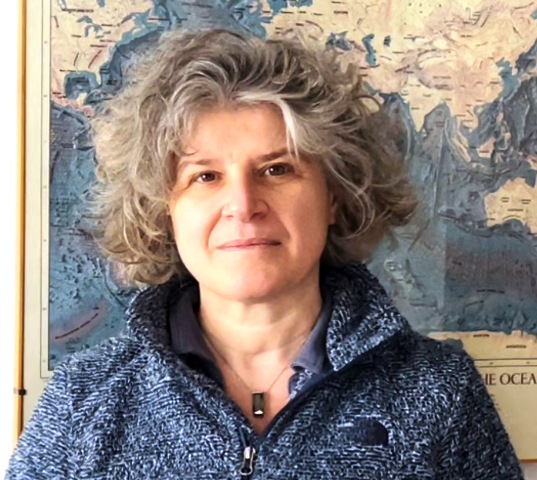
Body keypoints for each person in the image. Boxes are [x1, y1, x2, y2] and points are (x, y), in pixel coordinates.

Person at [7, 28, 523, 479]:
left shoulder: (439, 392)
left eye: (277, 169)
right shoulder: (83, 401)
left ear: (334, 195)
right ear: (164, 211)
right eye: (205, 176)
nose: (243, 205)